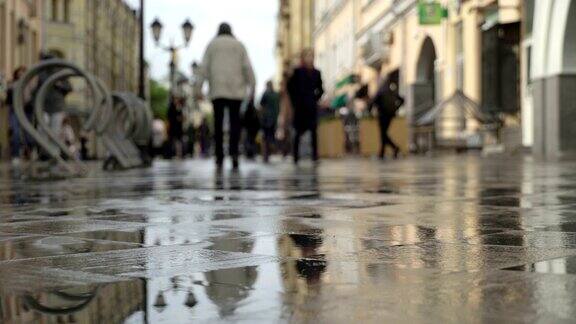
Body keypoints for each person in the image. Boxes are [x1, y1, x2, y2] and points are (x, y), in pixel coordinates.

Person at [196, 22, 256, 171]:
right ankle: (234, 154)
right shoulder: (239, 45)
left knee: (218, 123)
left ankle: (219, 156)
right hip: (236, 90)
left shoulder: (212, 45)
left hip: (218, 90)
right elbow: (247, 67)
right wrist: (252, 86)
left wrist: (198, 88)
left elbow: (203, 67)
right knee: (235, 123)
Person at [287, 48, 324, 165]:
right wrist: (294, 101)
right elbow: (290, 87)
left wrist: (315, 99)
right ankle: (295, 156)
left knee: (313, 131)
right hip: (300, 107)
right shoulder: (298, 71)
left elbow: (321, 89)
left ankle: (314, 156)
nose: (310, 58)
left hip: (311, 106)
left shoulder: (317, 73)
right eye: (308, 56)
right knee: (297, 132)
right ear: (304, 58)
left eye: (312, 56)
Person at [370, 78, 404, 160]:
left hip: (382, 115)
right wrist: (396, 108)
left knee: (383, 134)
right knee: (384, 134)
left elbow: (373, 102)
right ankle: (383, 152)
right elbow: (402, 100)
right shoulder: (391, 91)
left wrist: (369, 111)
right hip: (390, 115)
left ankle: (393, 148)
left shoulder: (380, 92)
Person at [5, 66, 28, 161]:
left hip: (26, 110)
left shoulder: (28, 83)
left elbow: (29, 97)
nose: (21, 74)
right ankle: (16, 154)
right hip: (14, 110)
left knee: (27, 134)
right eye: (19, 72)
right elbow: (7, 94)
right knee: (15, 132)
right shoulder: (12, 84)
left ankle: (27, 150)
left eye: (23, 72)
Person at [259, 80, 280, 163]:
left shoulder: (265, 94)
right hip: (274, 118)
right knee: (271, 136)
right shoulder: (276, 95)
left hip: (266, 118)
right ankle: (269, 152)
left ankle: (266, 154)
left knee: (265, 137)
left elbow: (261, 105)